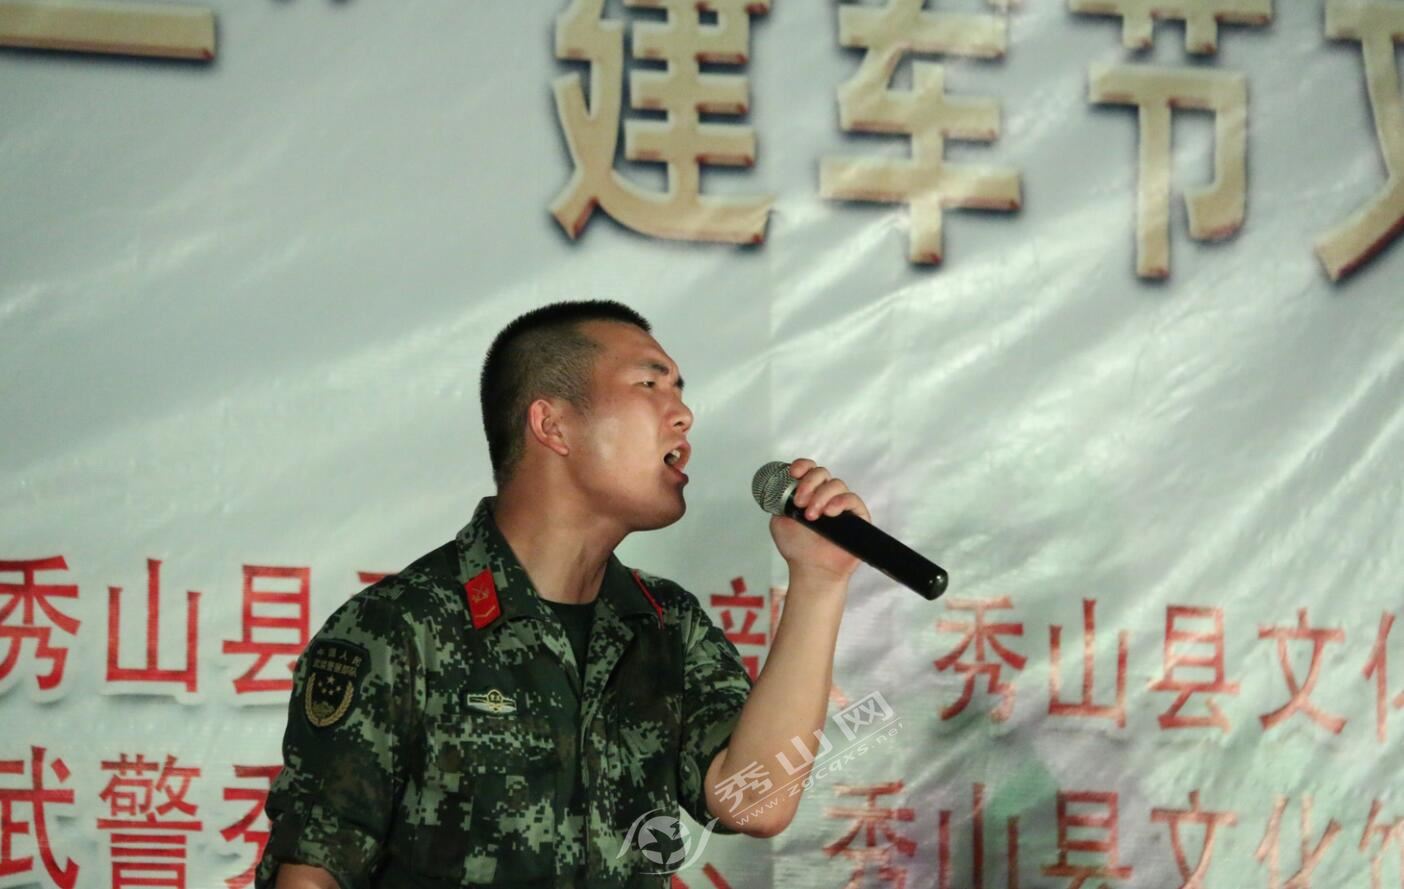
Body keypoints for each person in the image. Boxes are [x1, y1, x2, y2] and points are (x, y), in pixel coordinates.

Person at [257, 301, 869, 888]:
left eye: (679, 390)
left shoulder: (667, 623)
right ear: (552, 425)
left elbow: (756, 801)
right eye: (650, 384)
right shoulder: (403, 624)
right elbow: (313, 869)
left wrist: (819, 581)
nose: (683, 414)